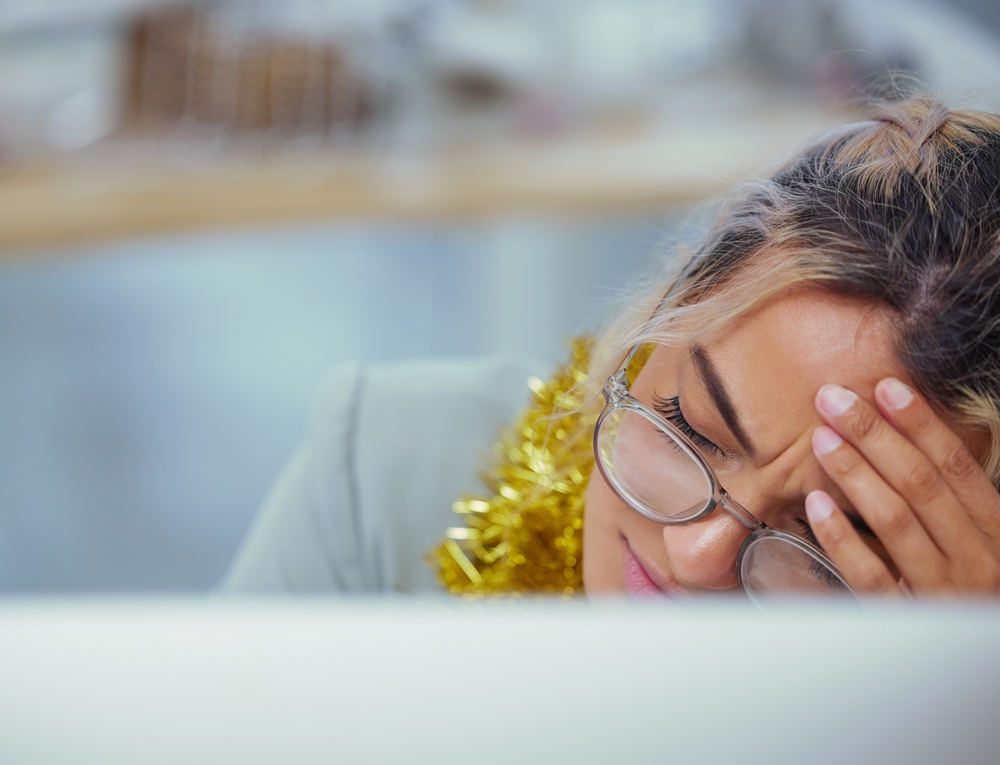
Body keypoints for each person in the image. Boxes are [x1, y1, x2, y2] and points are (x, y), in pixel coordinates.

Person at [225, 94, 1000, 603]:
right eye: (689, 428)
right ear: (667, 307)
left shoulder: (951, 691)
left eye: (827, 535)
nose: (698, 557)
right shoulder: (375, 475)